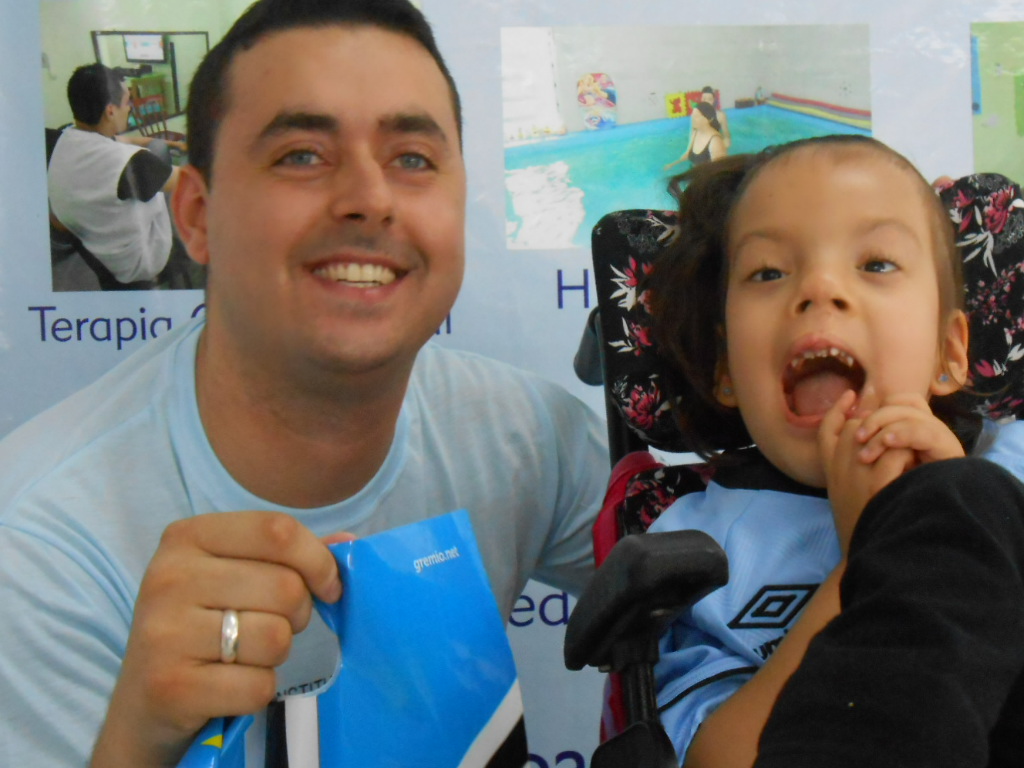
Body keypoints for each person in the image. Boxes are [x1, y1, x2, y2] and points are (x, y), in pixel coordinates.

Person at [0, 1, 608, 766]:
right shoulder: (36, 551)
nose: (369, 197)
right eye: (301, 155)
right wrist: (134, 747)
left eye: (412, 158)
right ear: (196, 215)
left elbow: (729, 588)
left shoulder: (528, 437)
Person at [644, 136, 1024, 767]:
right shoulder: (695, 553)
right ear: (727, 373)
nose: (820, 288)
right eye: (768, 272)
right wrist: (868, 562)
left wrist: (953, 517)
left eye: (875, 264)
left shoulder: (1007, 469)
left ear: (949, 352)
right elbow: (718, 761)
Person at [47, 63, 190, 287]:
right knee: (178, 193)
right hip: (139, 265)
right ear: (110, 111)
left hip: (93, 246)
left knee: (157, 148)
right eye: (127, 102)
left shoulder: (66, 136)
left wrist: (173, 143)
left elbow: (124, 141)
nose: (130, 108)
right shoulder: (132, 164)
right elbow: (190, 180)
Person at [664, 101, 727, 172]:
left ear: (709, 119)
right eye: (692, 116)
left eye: (696, 117)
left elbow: (720, 170)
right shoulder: (696, 132)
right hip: (695, 173)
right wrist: (672, 165)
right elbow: (687, 155)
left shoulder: (715, 141)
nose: (693, 119)